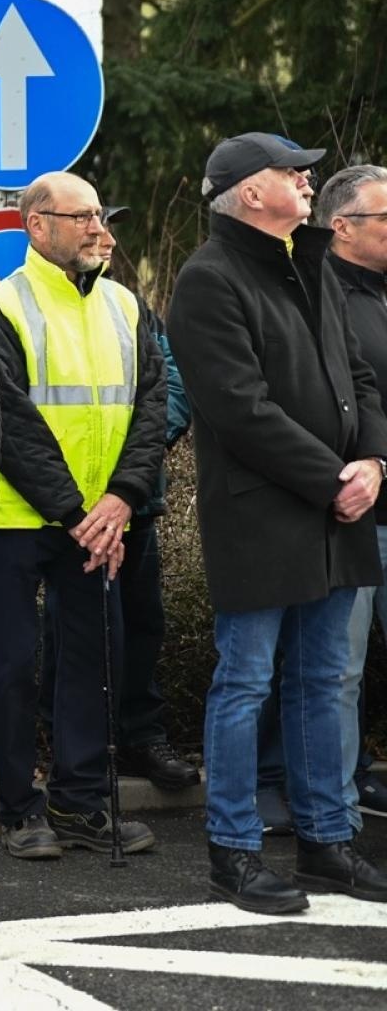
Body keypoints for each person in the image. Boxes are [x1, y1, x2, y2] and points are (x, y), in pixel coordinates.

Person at [168, 132, 387, 914]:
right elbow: (240, 408)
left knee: (324, 679)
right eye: (292, 171)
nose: (307, 180)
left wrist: (374, 461)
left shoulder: (311, 262)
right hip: (264, 514)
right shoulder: (207, 279)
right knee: (246, 683)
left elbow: (357, 376)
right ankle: (233, 851)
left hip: (339, 508)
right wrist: (334, 479)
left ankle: (328, 840)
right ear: (250, 191)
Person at [0, 172, 167, 863]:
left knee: (93, 663)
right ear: (37, 225)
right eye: (81, 216)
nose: (97, 228)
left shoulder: (125, 305)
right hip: (17, 521)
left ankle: (79, 803)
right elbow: (10, 423)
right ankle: (20, 808)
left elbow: (151, 407)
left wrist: (123, 498)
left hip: (102, 521)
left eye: (99, 215)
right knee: (12, 668)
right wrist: (79, 512)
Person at [37, 206, 200, 795]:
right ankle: (72, 747)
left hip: (134, 502)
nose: (105, 237)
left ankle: (140, 736)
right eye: (92, 224)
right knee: (74, 631)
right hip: (65, 508)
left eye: (108, 226)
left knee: (141, 622)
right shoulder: (26, 307)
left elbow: (172, 382)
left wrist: (134, 468)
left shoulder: (127, 304)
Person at [319, 164, 387, 821]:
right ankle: (333, 807)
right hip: (355, 512)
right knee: (339, 669)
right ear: (342, 226)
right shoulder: (319, 295)